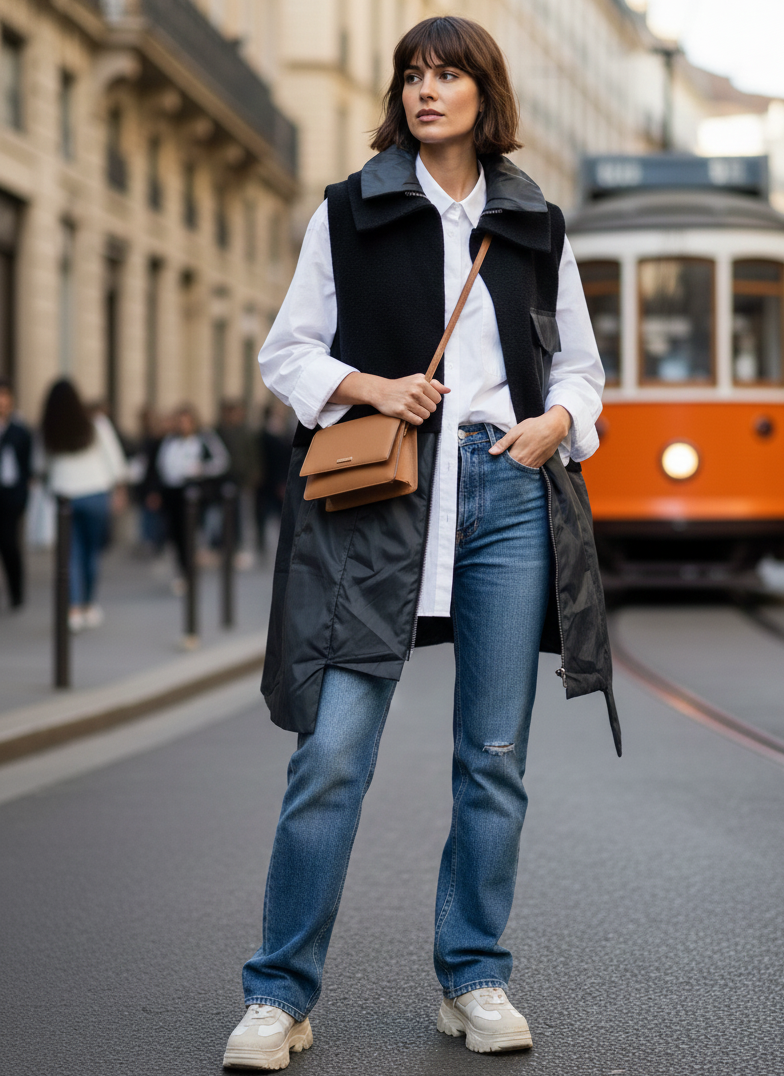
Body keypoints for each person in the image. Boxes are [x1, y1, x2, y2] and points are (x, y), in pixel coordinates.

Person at [223, 17, 621, 1070]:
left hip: (507, 489)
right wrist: (369, 383)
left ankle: (473, 976)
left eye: (447, 74)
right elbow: (288, 353)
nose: (425, 89)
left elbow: (581, 366)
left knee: (493, 757)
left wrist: (557, 423)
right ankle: (278, 993)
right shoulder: (351, 209)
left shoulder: (534, 220)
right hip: (383, 498)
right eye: (412, 73)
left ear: (485, 95)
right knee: (332, 753)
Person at [40, 378, 128, 632]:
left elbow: (41, 467)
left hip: (64, 495)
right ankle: (88, 604)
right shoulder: (95, 424)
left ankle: (74, 608)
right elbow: (115, 460)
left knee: (70, 555)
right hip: (95, 494)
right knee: (91, 553)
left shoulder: (49, 429)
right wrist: (119, 491)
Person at [156, 404, 229, 593]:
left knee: (192, 534)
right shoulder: (169, 441)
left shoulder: (204, 438)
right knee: (175, 535)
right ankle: (182, 570)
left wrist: (201, 469)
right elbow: (161, 465)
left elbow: (221, 461)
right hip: (172, 492)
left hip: (194, 492)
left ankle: (190, 572)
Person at [0, 378, 32, 609]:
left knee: (10, 545)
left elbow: (27, 468)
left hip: (10, 495)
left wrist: (23, 498)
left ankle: (16, 593)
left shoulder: (20, 431)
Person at [254, 399, 293, 553]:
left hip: (279, 480)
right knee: (263, 515)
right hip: (266, 481)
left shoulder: (286, 432)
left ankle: (282, 544)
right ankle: (262, 544)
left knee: (280, 515)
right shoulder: (264, 434)